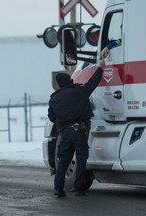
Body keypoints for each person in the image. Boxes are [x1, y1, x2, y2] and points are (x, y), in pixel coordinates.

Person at [48, 59, 105, 197]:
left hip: (64, 133)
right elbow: (93, 82)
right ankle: (79, 188)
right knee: (81, 159)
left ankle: (58, 189)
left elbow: (51, 118)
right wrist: (100, 68)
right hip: (79, 131)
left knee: (63, 161)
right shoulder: (80, 91)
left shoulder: (54, 98)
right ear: (70, 81)